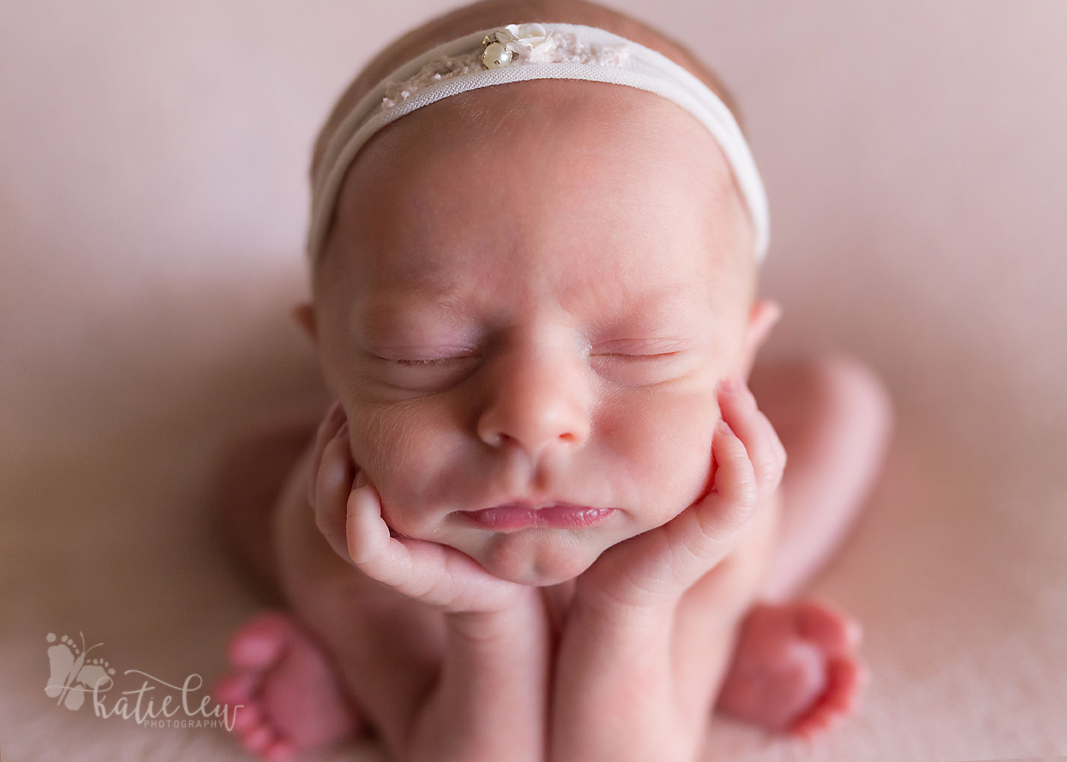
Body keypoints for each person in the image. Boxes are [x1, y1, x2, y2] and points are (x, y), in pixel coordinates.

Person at [212, 2, 894, 760]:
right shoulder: (350, 551)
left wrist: (634, 600)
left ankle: (723, 626)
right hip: (397, 572)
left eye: (644, 347)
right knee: (249, 480)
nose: (533, 417)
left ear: (740, 351)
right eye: (422, 351)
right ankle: (383, 670)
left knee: (841, 405)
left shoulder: (716, 514)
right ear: (328, 358)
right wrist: (484, 618)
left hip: (679, 537)